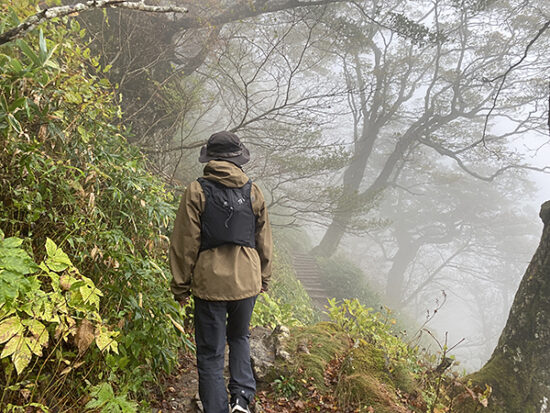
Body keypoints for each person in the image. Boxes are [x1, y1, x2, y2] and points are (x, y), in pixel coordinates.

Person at [169, 131, 273, 413]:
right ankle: (241, 399)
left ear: (211, 158)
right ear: (238, 158)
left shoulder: (196, 191)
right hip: (247, 280)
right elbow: (263, 239)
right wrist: (263, 278)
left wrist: (180, 287)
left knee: (211, 353)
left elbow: (184, 244)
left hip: (210, 284)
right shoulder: (253, 191)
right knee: (240, 337)